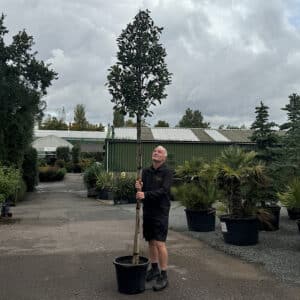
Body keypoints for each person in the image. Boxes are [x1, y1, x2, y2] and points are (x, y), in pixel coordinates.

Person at [135, 145, 173, 291]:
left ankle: (164, 275)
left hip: (161, 211)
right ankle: (154, 268)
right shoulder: (146, 171)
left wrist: (145, 195)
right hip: (148, 211)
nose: (156, 153)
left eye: (160, 151)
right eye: (155, 151)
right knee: (150, 241)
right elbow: (141, 190)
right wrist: (138, 187)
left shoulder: (167, 172)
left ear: (164, 157)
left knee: (159, 243)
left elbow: (164, 191)